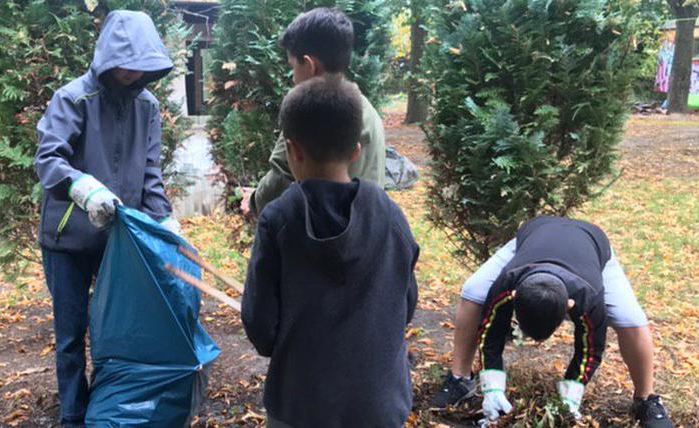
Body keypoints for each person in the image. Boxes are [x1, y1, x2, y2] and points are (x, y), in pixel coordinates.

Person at [241, 75, 420, 428]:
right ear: (356, 151)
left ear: (293, 150)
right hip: (378, 405)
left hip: (300, 405)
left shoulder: (278, 219)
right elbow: (407, 303)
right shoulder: (390, 215)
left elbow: (260, 323)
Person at [33, 10, 180, 427]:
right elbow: (48, 159)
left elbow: (150, 173)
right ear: (110, 56)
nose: (134, 73)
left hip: (118, 242)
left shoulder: (147, 106)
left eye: (142, 64)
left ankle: (106, 413)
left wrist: (164, 222)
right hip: (67, 240)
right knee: (70, 335)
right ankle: (73, 415)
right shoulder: (73, 98)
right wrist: (83, 188)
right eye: (127, 63)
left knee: (115, 331)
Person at [429, 216, 675, 428]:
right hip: (535, 235)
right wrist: (492, 388)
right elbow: (490, 334)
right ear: (514, 297)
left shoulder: (589, 297)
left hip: (592, 244)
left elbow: (590, 349)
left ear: (570, 305)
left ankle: (646, 399)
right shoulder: (506, 285)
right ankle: (460, 379)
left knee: (631, 320)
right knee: (473, 292)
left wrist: (570, 397)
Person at [240, 7, 386, 216]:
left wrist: (253, 201)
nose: (292, 78)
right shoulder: (367, 110)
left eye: (293, 66)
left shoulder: (308, 115)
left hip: (317, 234)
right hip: (365, 230)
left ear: (309, 65)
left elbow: (280, 181)